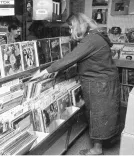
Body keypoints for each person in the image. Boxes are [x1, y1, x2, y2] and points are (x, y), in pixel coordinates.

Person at [32, 13, 120, 155]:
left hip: (98, 84)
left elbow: (70, 58)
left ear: (78, 26)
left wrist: (45, 72)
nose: (70, 31)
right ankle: (102, 142)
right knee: (104, 114)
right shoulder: (96, 35)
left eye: (71, 27)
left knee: (97, 115)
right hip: (104, 81)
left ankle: (97, 149)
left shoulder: (90, 40)